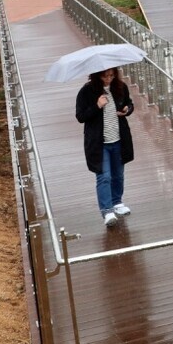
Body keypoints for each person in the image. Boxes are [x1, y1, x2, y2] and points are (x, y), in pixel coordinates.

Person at [75, 67, 135, 228]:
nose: (108, 79)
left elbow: (129, 103)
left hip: (118, 139)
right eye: (104, 76)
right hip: (99, 143)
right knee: (104, 176)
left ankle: (117, 202)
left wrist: (127, 110)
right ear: (97, 76)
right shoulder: (87, 91)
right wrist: (97, 106)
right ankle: (107, 211)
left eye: (111, 75)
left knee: (118, 175)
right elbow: (80, 116)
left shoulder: (120, 87)